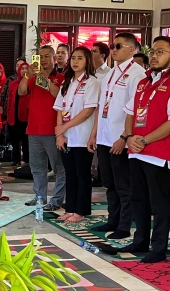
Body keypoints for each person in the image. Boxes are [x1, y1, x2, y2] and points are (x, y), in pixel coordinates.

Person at [116, 36, 170, 263]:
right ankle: (140, 240)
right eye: (153, 51)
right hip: (137, 150)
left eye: (161, 51)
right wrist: (129, 137)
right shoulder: (144, 81)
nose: (155, 55)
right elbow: (130, 112)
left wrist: (144, 140)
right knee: (138, 198)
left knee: (159, 204)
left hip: (159, 153)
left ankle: (159, 247)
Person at [88, 32, 147, 238]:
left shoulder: (137, 74)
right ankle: (112, 220)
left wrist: (124, 137)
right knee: (109, 183)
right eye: (112, 45)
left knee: (123, 185)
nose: (113, 49)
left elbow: (136, 110)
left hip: (120, 138)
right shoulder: (111, 73)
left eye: (118, 46)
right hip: (104, 136)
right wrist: (94, 134)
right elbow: (100, 107)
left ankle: (124, 226)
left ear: (132, 50)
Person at [53, 46, 100, 224]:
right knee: (69, 174)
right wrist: (60, 133)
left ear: (87, 61)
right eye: (73, 58)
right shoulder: (68, 82)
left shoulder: (92, 83)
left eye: (80, 58)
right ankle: (70, 208)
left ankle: (81, 210)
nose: (75, 61)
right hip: (67, 137)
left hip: (82, 136)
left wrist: (65, 128)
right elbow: (60, 109)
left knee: (82, 174)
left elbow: (88, 111)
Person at [19, 45, 66, 211]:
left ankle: (57, 200)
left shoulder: (61, 78)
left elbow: (58, 95)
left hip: (52, 130)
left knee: (59, 168)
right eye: (40, 57)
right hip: (34, 130)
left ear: (54, 59)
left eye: (47, 56)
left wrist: (46, 79)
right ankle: (39, 197)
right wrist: (27, 75)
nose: (44, 60)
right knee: (37, 167)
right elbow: (21, 91)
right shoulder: (33, 78)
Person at [6, 62, 30, 166]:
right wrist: (8, 114)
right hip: (14, 115)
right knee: (14, 140)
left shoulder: (31, 82)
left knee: (26, 141)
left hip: (26, 116)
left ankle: (27, 160)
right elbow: (10, 99)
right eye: (22, 68)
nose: (24, 70)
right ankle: (15, 159)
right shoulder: (13, 84)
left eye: (26, 68)